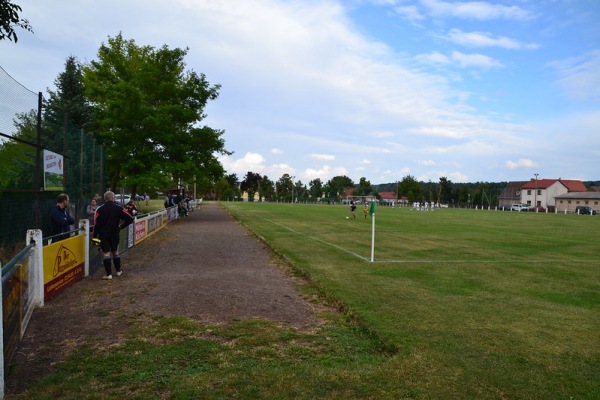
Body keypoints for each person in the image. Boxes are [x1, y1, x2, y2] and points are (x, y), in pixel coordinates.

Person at [93, 191, 134, 280]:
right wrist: (121, 226)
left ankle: (108, 274)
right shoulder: (118, 208)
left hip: (103, 235)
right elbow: (130, 218)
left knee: (106, 253)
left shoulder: (99, 209)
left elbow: (96, 225)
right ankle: (118, 271)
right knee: (115, 251)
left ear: (105, 199)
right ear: (113, 198)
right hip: (115, 233)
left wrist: (94, 237)